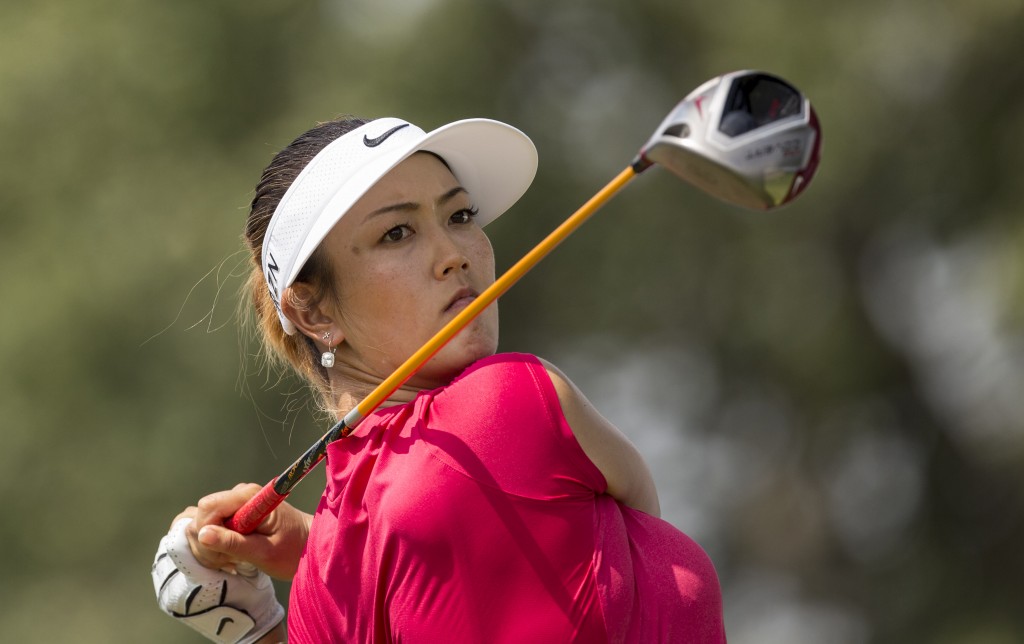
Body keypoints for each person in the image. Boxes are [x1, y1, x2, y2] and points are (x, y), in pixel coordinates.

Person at [152, 115, 726, 643]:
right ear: (314, 313)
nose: (455, 254)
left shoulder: (320, 591)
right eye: (397, 233)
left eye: (460, 216)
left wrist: (273, 615)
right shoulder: (506, 401)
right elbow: (642, 517)